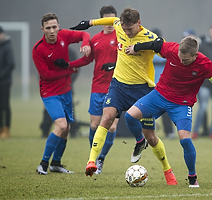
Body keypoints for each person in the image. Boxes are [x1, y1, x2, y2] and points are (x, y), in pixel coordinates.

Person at [71, 7, 177, 185]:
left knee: (151, 137)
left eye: (130, 29)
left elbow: (166, 50)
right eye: (124, 29)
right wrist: (88, 23)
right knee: (106, 117)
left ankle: (167, 170)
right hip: (118, 86)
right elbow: (109, 21)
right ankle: (91, 161)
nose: (126, 33)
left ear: (139, 23)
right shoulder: (119, 25)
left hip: (143, 90)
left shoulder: (150, 37)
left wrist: (140, 47)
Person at [125, 36, 212, 187]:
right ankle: (140, 142)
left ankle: (192, 177)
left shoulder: (205, 64)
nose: (182, 61)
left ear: (195, 55)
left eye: (186, 60)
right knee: (129, 116)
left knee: (185, 139)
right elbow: (155, 44)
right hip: (159, 95)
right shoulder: (172, 49)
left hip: (181, 104)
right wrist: (135, 48)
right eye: (180, 57)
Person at [32, 12, 91, 175]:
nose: (52, 31)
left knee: (66, 129)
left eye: (54, 27)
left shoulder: (64, 36)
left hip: (66, 91)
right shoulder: (38, 49)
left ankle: (56, 163)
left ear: (59, 27)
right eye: (48, 28)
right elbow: (46, 75)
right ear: (42, 29)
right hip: (50, 93)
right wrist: (69, 69)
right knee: (61, 125)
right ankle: (43, 164)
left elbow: (84, 33)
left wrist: (86, 43)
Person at [82, 5, 119, 174]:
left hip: (116, 87)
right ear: (101, 21)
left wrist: (116, 65)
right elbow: (87, 60)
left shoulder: (121, 36)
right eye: (106, 19)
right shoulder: (95, 39)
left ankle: (101, 159)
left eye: (112, 19)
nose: (109, 23)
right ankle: (93, 159)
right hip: (97, 86)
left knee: (111, 127)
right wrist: (70, 66)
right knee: (94, 125)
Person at [39, 48, 79, 138]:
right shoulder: (47, 52)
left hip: (66, 87)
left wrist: (68, 81)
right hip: (51, 88)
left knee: (69, 110)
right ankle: (45, 131)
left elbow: (76, 68)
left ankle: (73, 132)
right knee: (49, 110)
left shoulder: (70, 53)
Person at [152, 28, 175, 139]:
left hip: (163, 85)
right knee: (148, 110)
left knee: (166, 110)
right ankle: (149, 132)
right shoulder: (149, 50)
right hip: (151, 84)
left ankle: (169, 132)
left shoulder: (165, 49)